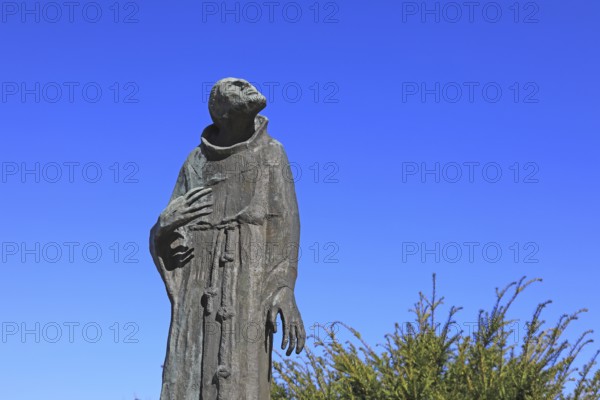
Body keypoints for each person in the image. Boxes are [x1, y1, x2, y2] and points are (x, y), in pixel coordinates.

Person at [150, 77, 305, 399]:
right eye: (235, 86)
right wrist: (163, 226)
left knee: (242, 377)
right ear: (219, 110)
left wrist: (284, 287)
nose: (247, 85)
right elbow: (168, 233)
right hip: (197, 284)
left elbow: (286, 225)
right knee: (186, 373)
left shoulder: (272, 153)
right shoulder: (196, 161)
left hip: (249, 284)